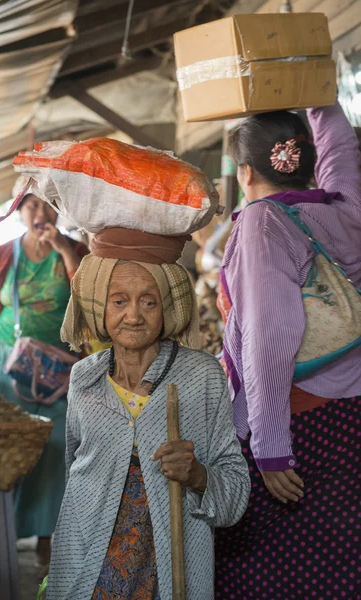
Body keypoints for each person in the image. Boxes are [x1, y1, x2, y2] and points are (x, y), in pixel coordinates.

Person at [45, 229, 251, 600]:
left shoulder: (201, 376)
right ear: (99, 308)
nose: (133, 316)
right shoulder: (85, 377)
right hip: (86, 566)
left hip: (165, 570)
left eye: (149, 302)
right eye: (119, 301)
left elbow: (236, 491)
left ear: (166, 308)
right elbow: (73, 480)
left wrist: (199, 475)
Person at [215, 101, 361, 599]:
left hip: (303, 429)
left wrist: (271, 450)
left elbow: (268, 340)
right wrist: (319, 99)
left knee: (273, 574)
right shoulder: (345, 206)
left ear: (245, 171)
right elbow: (340, 148)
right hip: (351, 419)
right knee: (341, 567)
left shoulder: (263, 223)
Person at [0, 191, 88, 566]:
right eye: (31, 205)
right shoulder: (2, 255)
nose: (40, 211)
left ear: (59, 209)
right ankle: (4, 536)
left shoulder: (78, 250)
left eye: (48, 203)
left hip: (62, 369)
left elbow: (85, 300)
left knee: (57, 451)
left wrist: (64, 249)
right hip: (9, 365)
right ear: (18, 211)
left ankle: (49, 545)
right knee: (6, 454)